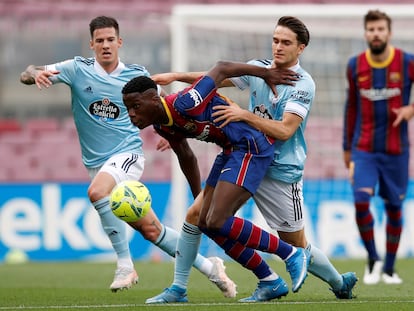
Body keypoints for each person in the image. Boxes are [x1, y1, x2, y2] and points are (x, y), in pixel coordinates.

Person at [19, 15, 236, 295]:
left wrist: (174, 134)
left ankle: (124, 265)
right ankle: (212, 268)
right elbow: (28, 71)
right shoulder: (76, 69)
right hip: (96, 163)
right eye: (100, 41)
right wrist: (34, 74)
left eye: (111, 39)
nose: (106, 45)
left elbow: (166, 104)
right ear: (92, 44)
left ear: (119, 42)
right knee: (152, 231)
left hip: (127, 154)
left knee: (97, 193)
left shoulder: (136, 75)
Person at [151, 15, 357, 301]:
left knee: (296, 243)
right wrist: (176, 77)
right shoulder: (259, 68)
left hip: (280, 170)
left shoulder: (303, 84)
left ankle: (338, 282)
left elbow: (285, 130)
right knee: (197, 216)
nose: (278, 47)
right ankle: (179, 288)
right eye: (275, 40)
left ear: (301, 48)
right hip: (244, 156)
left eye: (286, 42)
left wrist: (244, 115)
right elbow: (215, 79)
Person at [122, 59, 311, 304]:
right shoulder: (161, 124)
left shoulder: (185, 102)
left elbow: (222, 68)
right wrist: (198, 195)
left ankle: (291, 254)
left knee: (218, 220)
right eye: (127, 108)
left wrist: (266, 74)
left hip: (251, 147)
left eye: (135, 106)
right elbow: (186, 157)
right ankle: (269, 280)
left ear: (154, 99)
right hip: (231, 150)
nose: (131, 114)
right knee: (205, 222)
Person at [343, 9, 414, 285]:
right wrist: (347, 151)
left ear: (389, 32)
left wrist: (410, 109)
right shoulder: (355, 66)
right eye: (371, 29)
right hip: (364, 149)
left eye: (380, 29)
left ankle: (390, 268)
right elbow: (351, 109)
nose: (375, 34)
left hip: (396, 150)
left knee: (394, 207)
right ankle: (373, 259)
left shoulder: (407, 63)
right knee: (361, 200)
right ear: (365, 33)